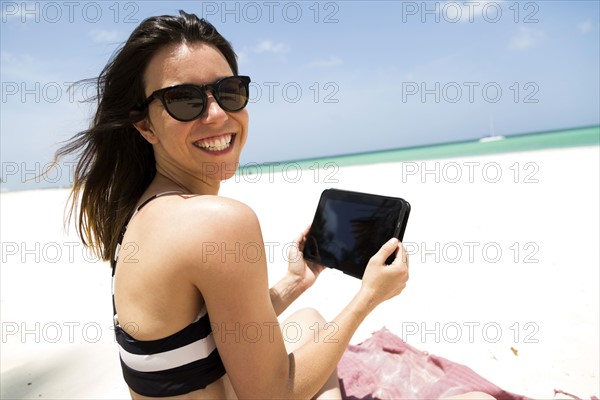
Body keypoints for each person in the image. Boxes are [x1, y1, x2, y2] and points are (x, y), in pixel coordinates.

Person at [56, 10, 492, 400]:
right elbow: (272, 395)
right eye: (184, 100)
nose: (216, 115)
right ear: (145, 126)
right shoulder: (217, 222)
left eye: (229, 92)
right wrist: (368, 297)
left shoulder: (142, 210)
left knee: (307, 316)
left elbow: (199, 337)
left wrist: (294, 282)